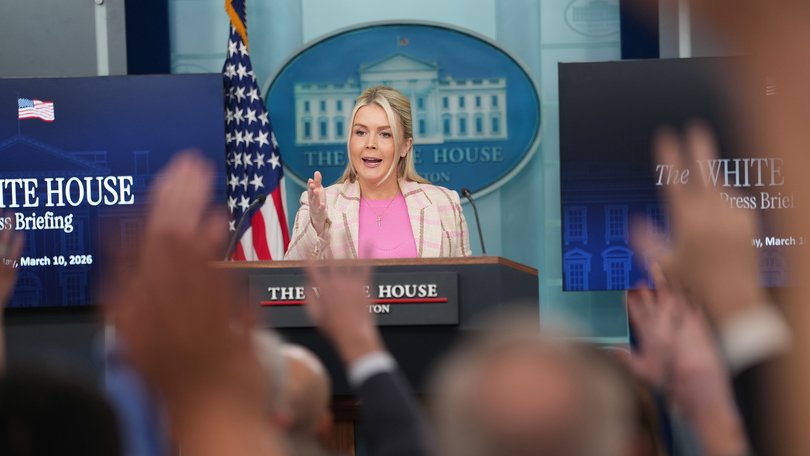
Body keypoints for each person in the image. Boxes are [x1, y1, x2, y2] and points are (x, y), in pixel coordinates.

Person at [285, 86, 472, 260]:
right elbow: (289, 280)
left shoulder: (444, 204)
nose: (370, 143)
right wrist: (316, 224)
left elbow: (467, 283)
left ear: (405, 146)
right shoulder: (323, 205)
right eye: (360, 132)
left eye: (385, 134)